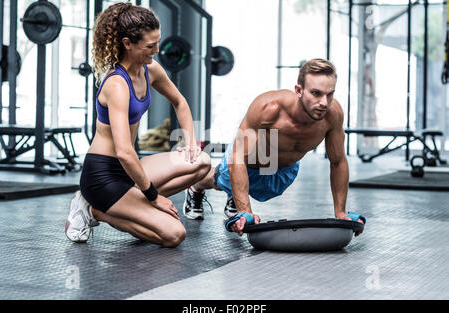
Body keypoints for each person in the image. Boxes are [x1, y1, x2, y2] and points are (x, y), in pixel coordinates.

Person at [65, 3, 211, 246]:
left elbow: (180, 102)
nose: (156, 51)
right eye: (150, 46)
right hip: (103, 177)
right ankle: (94, 210)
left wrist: (192, 144)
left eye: (157, 43)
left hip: (128, 169)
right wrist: (154, 198)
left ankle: (133, 203)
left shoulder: (150, 69)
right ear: (127, 43)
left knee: (202, 162)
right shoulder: (116, 85)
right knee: (175, 234)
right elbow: (123, 151)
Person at [183, 58, 365, 236]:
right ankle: (197, 186)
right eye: (316, 93)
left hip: (285, 171)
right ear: (299, 90)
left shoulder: (333, 115)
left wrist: (341, 213)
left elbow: (338, 161)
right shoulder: (268, 108)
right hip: (250, 163)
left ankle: (237, 193)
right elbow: (237, 158)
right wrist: (244, 212)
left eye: (329, 94)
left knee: (259, 189)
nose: (324, 103)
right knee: (218, 180)